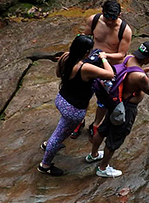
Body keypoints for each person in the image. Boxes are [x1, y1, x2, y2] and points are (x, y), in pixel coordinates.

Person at [38, 35, 115, 176]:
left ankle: (48, 144)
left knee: (62, 126)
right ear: (86, 52)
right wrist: (103, 58)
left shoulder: (65, 57)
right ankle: (45, 165)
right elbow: (109, 74)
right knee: (60, 134)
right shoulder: (84, 68)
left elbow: (57, 74)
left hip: (61, 99)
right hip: (74, 109)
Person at [89, 41, 149, 178]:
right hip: (126, 108)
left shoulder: (128, 58)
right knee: (115, 138)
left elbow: (129, 73)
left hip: (115, 102)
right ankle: (103, 168)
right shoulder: (140, 77)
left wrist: (148, 68)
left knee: (103, 130)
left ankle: (93, 155)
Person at [71, 0, 133, 139]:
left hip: (108, 65)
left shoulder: (125, 30)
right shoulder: (94, 20)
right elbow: (86, 38)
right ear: (102, 12)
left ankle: (96, 123)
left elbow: (121, 55)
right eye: (107, 17)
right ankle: (79, 121)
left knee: (104, 99)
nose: (110, 21)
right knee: (82, 93)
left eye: (114, 18)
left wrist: (104, 56)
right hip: (90, 61)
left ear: (120, 14)